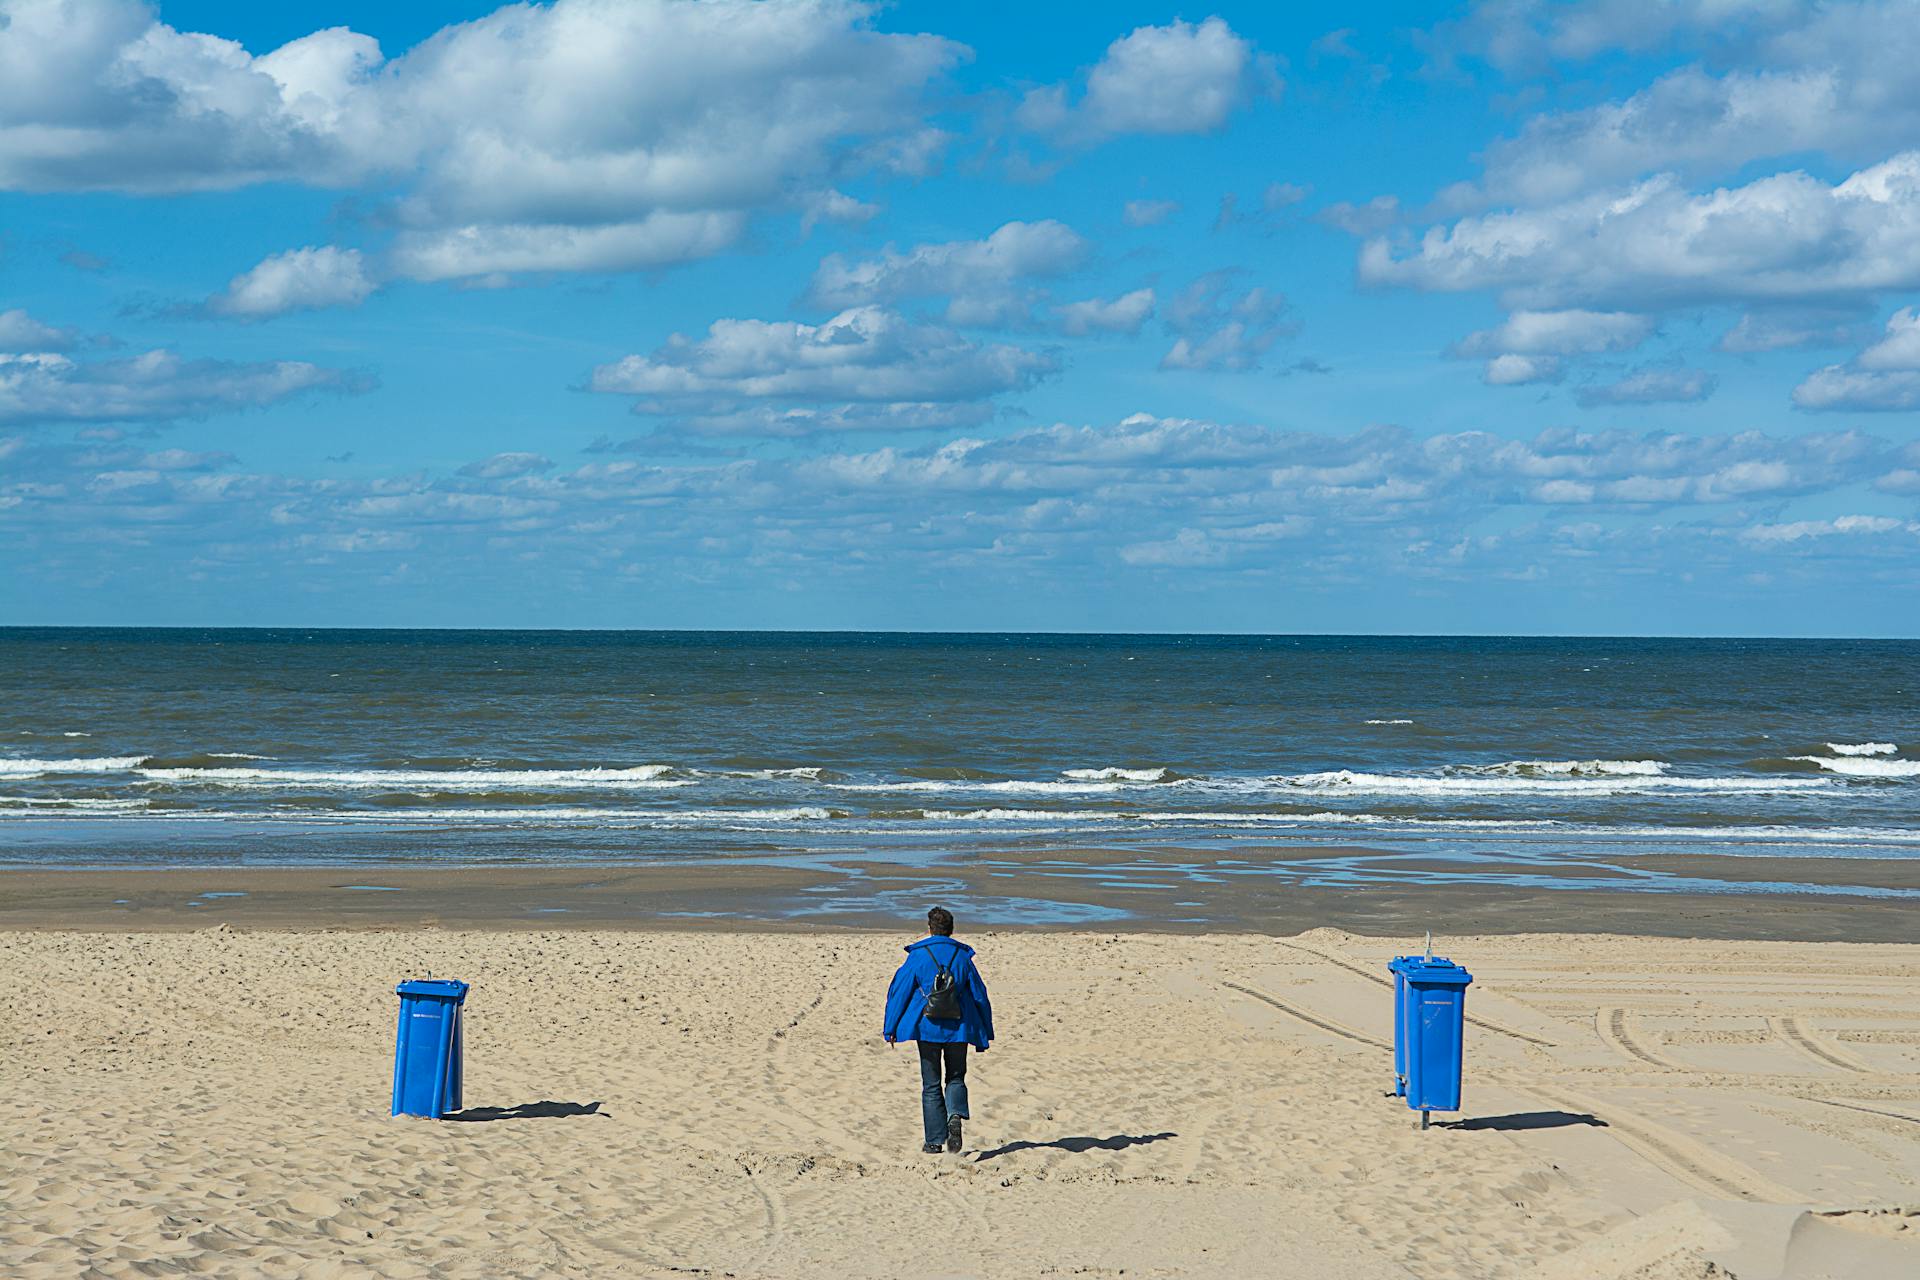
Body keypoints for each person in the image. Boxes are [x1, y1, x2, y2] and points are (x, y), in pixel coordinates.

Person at [882, 906, 994, 1154]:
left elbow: (899, 992)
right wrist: (986, 1031)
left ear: (930, 928)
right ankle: (954, 1115)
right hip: (960, 1027)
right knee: (955, 1076)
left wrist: (890, 1027)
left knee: (931, 1083)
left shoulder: (918, 956)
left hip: (927, 1027)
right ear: (951, 930)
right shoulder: (963, 957)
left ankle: (934, 1141)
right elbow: (979, 995)